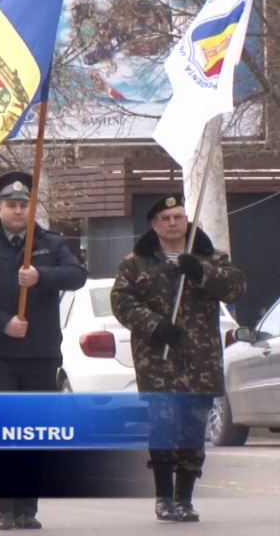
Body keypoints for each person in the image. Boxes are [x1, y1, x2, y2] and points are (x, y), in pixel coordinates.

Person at [0, 170, 88, 531]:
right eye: (10, 205)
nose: (17, 211)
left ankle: (27, 508)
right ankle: (5, 508)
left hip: (40, 353)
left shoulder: (50, 244)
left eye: (23, 204)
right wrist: (3, 323)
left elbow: (77, 276)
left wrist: (41, 276)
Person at [110, 194, 245, 523]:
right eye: (165, 218)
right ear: (154, 224)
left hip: (200, 362)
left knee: (192, 431)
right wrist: (155, 326)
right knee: (163, 427)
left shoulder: (211, 257)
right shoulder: (136, 262)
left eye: (178, 217)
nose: (173, 223)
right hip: (158, 361)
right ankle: (164, 497)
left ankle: (185, 498)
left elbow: (235, 288)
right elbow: (122, 302)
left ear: (187, 220)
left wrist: (201, 272)